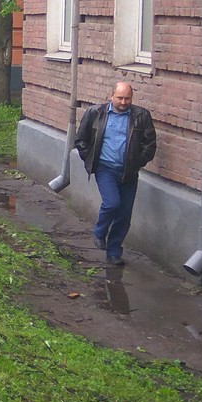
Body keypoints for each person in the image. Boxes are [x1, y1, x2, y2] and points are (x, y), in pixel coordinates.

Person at [74, 81, 158, 266]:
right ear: (111, 96)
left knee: (124, 215)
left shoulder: (141, 116)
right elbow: (81, 139)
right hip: (106, 168)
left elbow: (150, 144)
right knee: (112, 203)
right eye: (119, 98)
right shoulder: (96, 113)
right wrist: (89, 157)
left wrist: (138, 161)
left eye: (127, 98)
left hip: (129, 171)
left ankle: (114, 252)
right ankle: (99, 231)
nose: (123, 102)